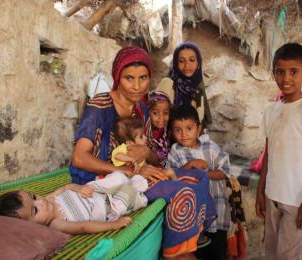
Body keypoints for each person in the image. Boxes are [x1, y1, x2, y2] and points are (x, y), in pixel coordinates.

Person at [69, 46, 216, 259]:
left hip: (134, 174)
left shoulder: (141, 108)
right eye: (129, 78)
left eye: (143, 78)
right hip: (104, 181)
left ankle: (193, 236)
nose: (137, 86)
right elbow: (79, 157)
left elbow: (153, 156)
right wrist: (130, 172)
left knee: (199, 177)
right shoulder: (99, 106)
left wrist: (146, 152)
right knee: (183, 192)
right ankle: (174, 253)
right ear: (118, 77)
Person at [255, 43, 302, 259]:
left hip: (297, 200)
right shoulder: (271, 111)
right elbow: (268, 154)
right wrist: (261, 192)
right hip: (272, 195)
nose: (286, 78)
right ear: (274, 74)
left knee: (287, 255)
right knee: (271, 251)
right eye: (280, 71)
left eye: (294, 72)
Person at [0, 171, 150, 234]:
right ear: (31, 227)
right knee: (127, 197)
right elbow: (84, 226)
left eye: (34, 197)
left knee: (118, 176)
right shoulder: (56, 224)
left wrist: (79, 188)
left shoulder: (49, 198)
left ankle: (128, 180)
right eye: (35, 211)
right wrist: (113, 225)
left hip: (93, 191)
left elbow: (67, 187)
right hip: (107, 207)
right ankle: (137, 189)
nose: (41, 202)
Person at [167, 105, 231, 260]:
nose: (183, 135)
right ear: (172, 131)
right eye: (178, 130)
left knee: (218, 253)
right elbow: (172, 177)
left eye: (189, 128)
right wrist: (189, 166)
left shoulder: (211, 148)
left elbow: (225, 171)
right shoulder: (175, 151)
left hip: (217, 212)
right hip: (192, 219)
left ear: (198, 128)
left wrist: (203, 176)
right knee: (197, 253)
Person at [113, 116, 177, 180]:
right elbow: (117, 155)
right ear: (129, 143)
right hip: (132, 178)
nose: (145, 137)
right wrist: (131, 160)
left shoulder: (143, 148)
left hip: (144, 175)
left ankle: (177, 185)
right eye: (141, 137)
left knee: (170, 171)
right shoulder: (124, 148)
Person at [169, 42, 211, 127]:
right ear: (176, 64)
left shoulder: (197, 81)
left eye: (192, 60)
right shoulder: (169, 84)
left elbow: (203, 107)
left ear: (198, 62)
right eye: (181, 61)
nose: (187, 65)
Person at [145, 78, 174, 167]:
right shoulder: (143, 135)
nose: (161, 117)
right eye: (155, 113)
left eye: (165, 113)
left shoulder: (167, 133)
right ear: (148, 112)